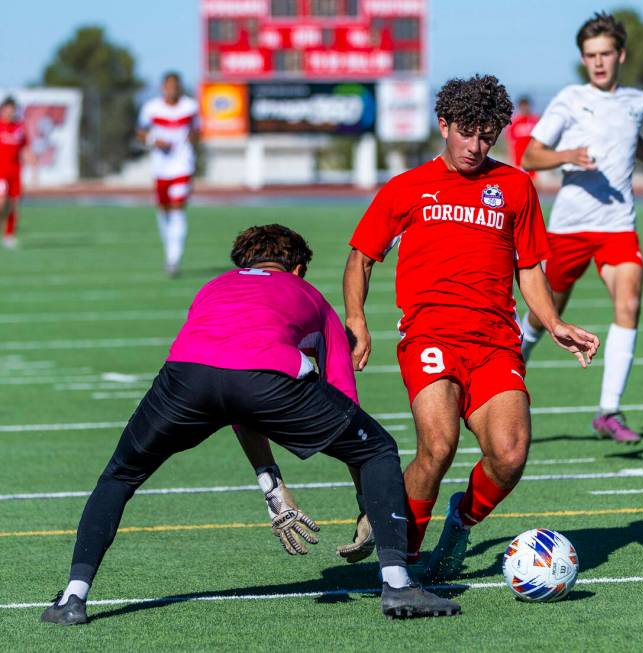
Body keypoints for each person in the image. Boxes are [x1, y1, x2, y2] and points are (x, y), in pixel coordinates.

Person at [40, 224, 459, 625]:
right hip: (266, 378)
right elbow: (344, 403)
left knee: (120, 475)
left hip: (186, 376)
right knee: (378, 447)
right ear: (297, 268)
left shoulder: (213, 287)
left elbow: (232, 392)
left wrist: (271, 486)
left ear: (242, 262)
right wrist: (367, 502)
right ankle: (398, 584)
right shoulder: (308, 293)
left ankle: (73, 597)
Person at [340, 76, 599, 580]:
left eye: (487, 136)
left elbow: (529, 267)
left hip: (497, 342)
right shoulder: (407, 187)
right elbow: (361, 257)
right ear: (444, 125)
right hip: (430, 336)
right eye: (466, 133)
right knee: (437, 446)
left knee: (510, 454)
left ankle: (460, 522)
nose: (476, 147)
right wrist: (357, 320)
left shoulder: (516, 187)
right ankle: (403, 564)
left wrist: (553, 322)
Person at [519, 12, 643, 443]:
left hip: (618, 226)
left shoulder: (636, 101)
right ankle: (505, 376)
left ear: (620, 55)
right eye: (590, 55)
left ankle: (609, 410)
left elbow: (631, 140)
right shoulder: (569, 100)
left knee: (628, 304)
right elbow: (531, 157)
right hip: (570, 227)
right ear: (583, 59)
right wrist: (567, 155)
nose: (598, 62)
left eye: (605, 54)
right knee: (541, 318)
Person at [136, 72, 199, 277]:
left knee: (177, 207)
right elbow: (141, 131)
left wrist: (192, 138)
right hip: (160, 167)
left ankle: (174, 258)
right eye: (168, 86)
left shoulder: (190, 107)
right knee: (163, 210)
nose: (172, 89)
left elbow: (198, 129)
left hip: (182, 165)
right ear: (163, 87)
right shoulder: (151, 108)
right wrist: (155, 139)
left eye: (175, 86)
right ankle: (169, 251)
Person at [0, 96, 32, 249]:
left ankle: (9, 235)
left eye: (12, 110)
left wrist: (33, 166)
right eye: (7, 109)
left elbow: (25, 149)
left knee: (14, 205)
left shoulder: (19, 128)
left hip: (15, 172)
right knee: (1, 202)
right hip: (1, 173)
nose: (10, 113)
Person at [506, 96, 538, 179]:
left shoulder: (534, 121)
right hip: (518, 161)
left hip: (532, 160)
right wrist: (511, 161)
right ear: (519, 107)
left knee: (533, 186)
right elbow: (510, 143)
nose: (525, 108)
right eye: (523, 106)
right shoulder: (514, 122)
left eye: (526, 106)